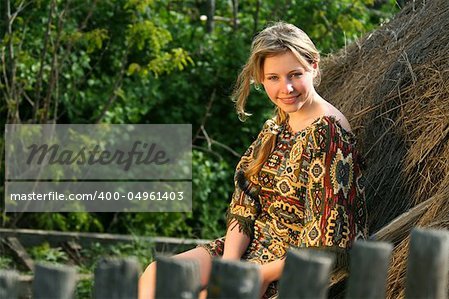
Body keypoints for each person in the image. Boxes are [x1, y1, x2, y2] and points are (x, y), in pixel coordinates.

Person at [138, 21, 368, 299]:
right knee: (156, 276)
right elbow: (245, 203)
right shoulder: (277, 127)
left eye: (295, 74)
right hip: (253, 246)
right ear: (261, 78)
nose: (286, 88)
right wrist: (230, 264)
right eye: (273, 78)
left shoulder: (329, 132)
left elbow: (326, 239)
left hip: (293, 264)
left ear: (314, 65)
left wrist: (259, 274)